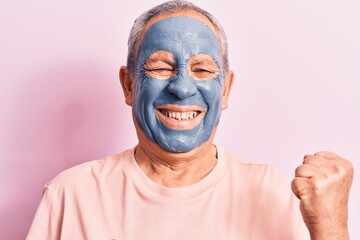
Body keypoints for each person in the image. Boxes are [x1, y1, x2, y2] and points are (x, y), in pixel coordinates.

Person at [26, 1, 354, 239]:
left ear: (225, 89)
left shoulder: (278, 195)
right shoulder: (71, 196)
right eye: (161, 67)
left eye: (202, 70)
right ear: (129, 85)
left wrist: (330, 226)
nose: (182, 88)